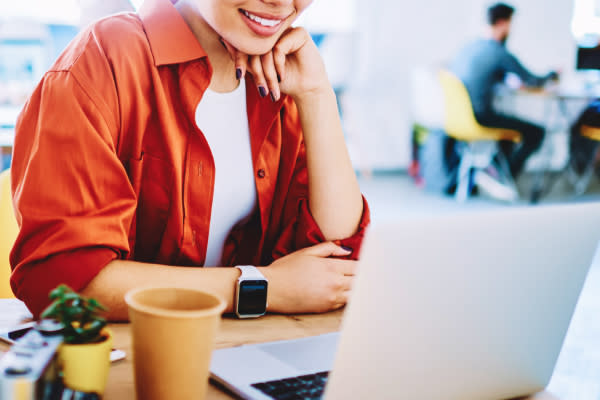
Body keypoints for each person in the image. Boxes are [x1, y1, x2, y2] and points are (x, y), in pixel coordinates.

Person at [9, 0, 369, 320]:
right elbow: (63, 285)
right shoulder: (103, 59)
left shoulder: (284, 79)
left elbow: (336, 268)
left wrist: (317, 94)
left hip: (245, 353)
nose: (279, 2)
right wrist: (261, 288)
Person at [449, 2, 559, 180]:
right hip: (481, 117)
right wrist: (553, 75)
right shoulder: (499, 52)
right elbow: (532, 81)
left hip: (458, 118)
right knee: (536, 132)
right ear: (503, 23)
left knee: (507, 125)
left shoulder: (469, 47)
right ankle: (505, 177)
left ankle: (497, 169)